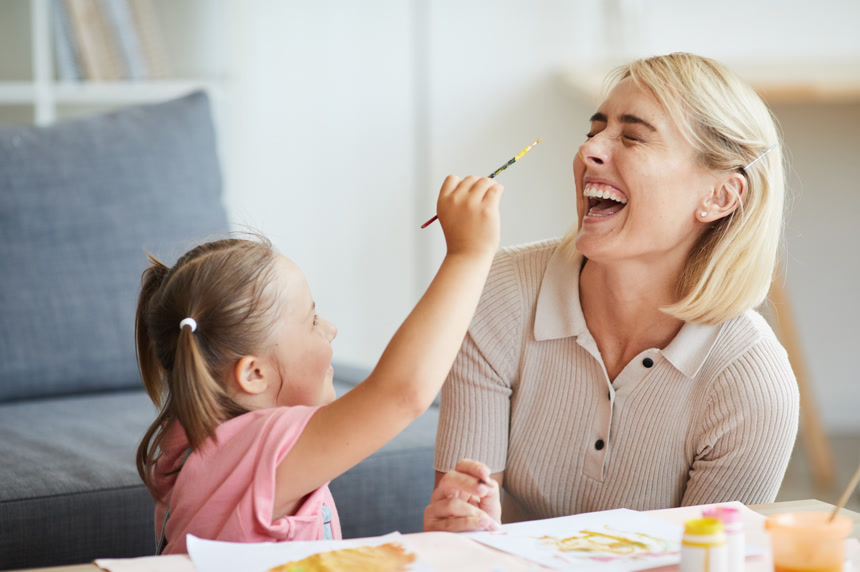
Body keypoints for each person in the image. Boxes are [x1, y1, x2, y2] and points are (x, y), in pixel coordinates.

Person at [425, 52, 800, 532]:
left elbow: (706, 563)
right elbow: (464, 533)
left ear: (719, 197)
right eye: (593, 131)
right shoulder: (498, 292)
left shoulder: (750, 384)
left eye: (632, 136)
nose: (589, 151)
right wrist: (461, 527)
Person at [135, 174, 504, 554]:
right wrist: (468, 254)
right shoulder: (259, 449)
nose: (330, 328)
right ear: (254, 374)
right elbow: (400, 394)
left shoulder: (190, 440)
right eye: (312, 321)